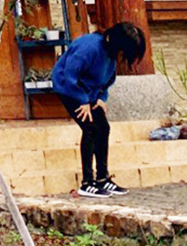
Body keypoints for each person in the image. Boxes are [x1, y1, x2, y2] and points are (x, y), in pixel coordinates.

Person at [50, 22, 146, 197]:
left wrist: (102, 98)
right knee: (90, 129)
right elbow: (69, 74)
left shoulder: (111, 53)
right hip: (68, 87)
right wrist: (81, 99)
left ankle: (103, 178)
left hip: (90, 92)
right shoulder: (89, 47)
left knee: (104, 128)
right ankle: (87, 183)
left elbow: (107, 79)